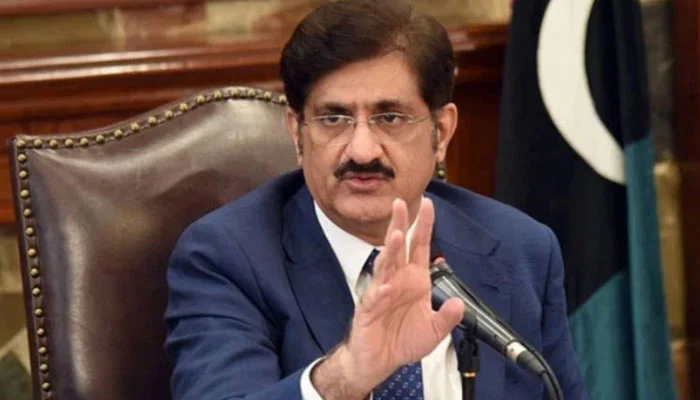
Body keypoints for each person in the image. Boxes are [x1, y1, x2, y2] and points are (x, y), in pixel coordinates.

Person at [165, 1, 587, 399]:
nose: (362, 150)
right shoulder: (227, 258)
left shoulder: (521, 249)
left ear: (441, 132)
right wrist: (347, 376)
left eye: (390, 117)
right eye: (334, 118)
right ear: (297, 133)